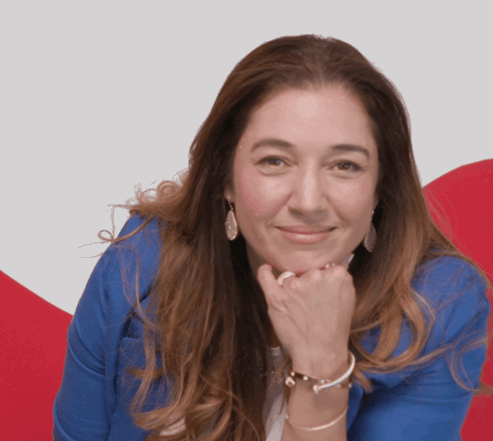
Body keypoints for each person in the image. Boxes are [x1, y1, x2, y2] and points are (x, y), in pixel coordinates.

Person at [52, 35, 491, 441]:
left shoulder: (441, 306)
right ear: (225, 177)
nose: (308, 200)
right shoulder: (142, 261)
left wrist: (323, 372)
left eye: (345, 166)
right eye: (275, 161)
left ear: (381, 188)